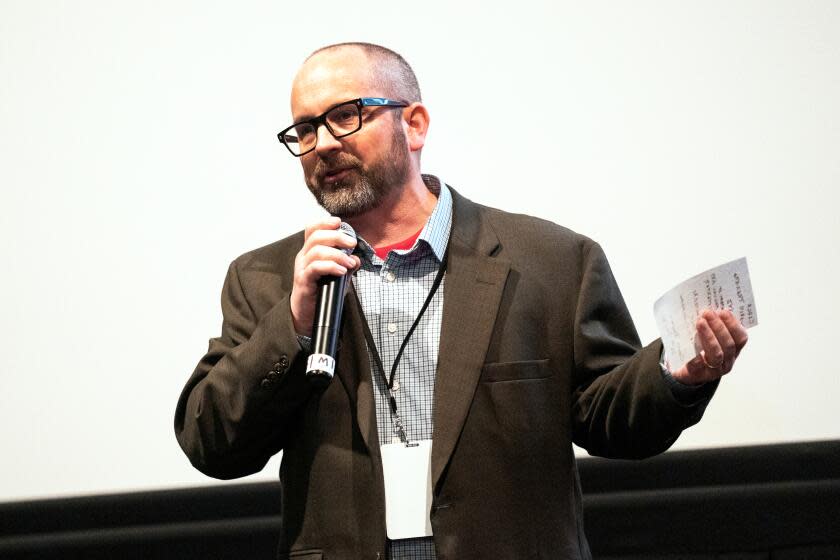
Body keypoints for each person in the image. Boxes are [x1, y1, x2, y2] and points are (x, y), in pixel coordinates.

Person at [175, 42, 748, 560]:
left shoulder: (549, 260)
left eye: (345, 116)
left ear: (415, 123)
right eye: (303, 130)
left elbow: (610, 421)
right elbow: (212, 444)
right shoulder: (269, 279)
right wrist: (295, 325)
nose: (322, 144)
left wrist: (679, 374)